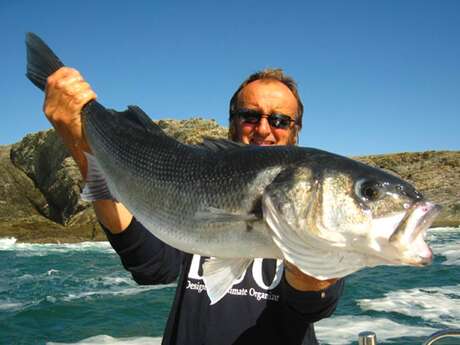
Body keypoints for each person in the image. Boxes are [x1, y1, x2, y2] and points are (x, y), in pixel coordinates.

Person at [43, 67, 345, 345]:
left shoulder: (319, 209)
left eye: (280, 120)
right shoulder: (196, 188)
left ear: (296, 131)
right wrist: (77, 139)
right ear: (233, 123)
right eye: (250, 116)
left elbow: (311, 304)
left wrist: (311, 271)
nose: (264, 129)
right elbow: (152, 266)